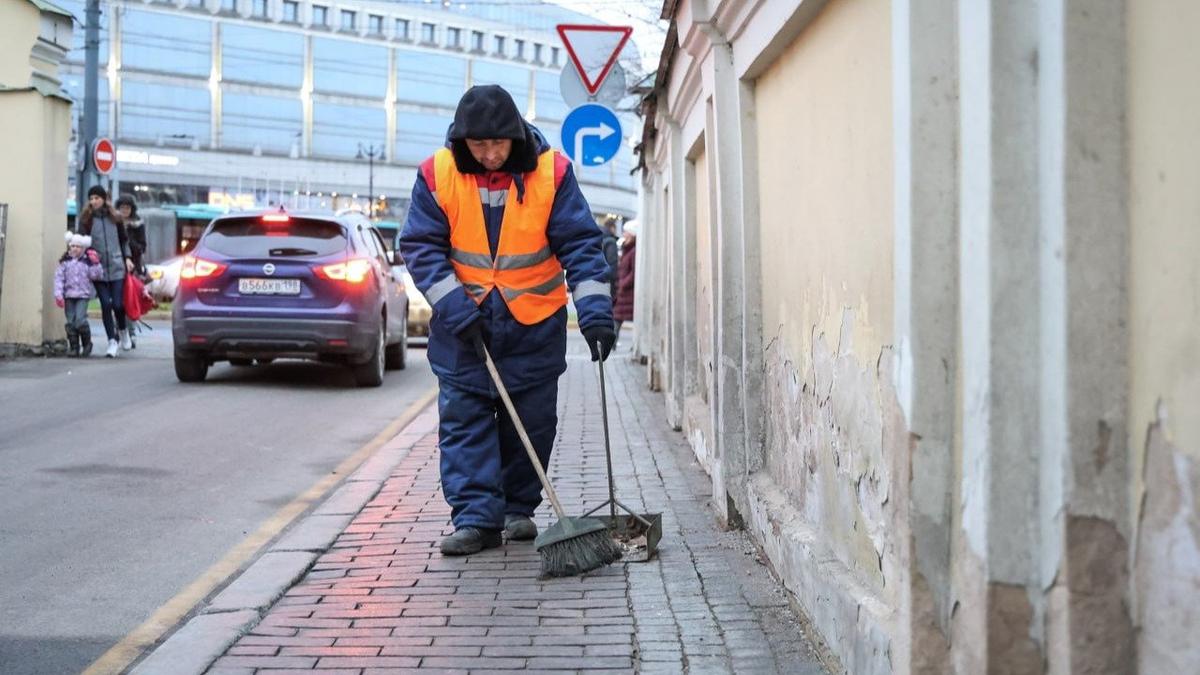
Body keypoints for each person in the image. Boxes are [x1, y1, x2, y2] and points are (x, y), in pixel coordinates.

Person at [399, 84, 616, 556]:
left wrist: (596, 311)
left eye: (499, 144)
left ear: (516, 137)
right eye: (479, 146)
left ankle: (518, 509)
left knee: (531, 425)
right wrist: (456, 306)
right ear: (462, 142)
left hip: (533, 327)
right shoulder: (437, 175)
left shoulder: (552, 174)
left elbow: (580, 245)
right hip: (464, 331)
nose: (491, 154)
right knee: (465, 423)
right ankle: (477, 519)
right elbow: (420, 247)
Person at [78, 185, 134, 357]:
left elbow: (124, 240)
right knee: (106, 304)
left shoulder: (115, 218)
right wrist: (88, 257)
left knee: (117, 304)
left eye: (97, 198)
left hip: (117, 266)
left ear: (104, 199)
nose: (93, 201)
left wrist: (127, 258)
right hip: (98, 270)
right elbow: (81, 243)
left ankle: (123, 330)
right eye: (91, 198)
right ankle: (112, 340)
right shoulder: (86, 220)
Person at [54, 231, 103, 357]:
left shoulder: (87, 262)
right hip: (69, 296)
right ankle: (74, 347)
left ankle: (87, 343)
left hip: (82, 296)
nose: (75, 248)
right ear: (69, 246)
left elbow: (96, 276)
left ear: (83, 248)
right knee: (70, 322)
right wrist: (58, 294)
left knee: (80, 321)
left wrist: (96, 263)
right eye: (73, 246)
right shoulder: (65, 262)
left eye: (78, 246)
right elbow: (59, 278)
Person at [613, 219, 637, 336]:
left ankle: (609, 345)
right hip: (624, 292)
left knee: (618, 319)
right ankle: (609, 344)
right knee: (617, 318)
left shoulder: (633, 251)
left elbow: (634, 272)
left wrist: (623, 284)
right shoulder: (627, 250)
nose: (623, 234)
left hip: (628, 292)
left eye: (625, 232)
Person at [115, 195, 147, 278]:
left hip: (134, 264)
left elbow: (142, 247)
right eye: (122, 208)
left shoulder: (138, 224)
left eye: (127, 208)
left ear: (132, 209)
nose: (124, 210)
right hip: (116, 264)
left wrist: (128, 241)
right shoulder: (113, 222)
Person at [600, 217, 620, 304]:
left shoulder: (598, 237)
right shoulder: (611, 241)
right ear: (612, 227)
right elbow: (612, 264)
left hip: (597, 279)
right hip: (608, 283)